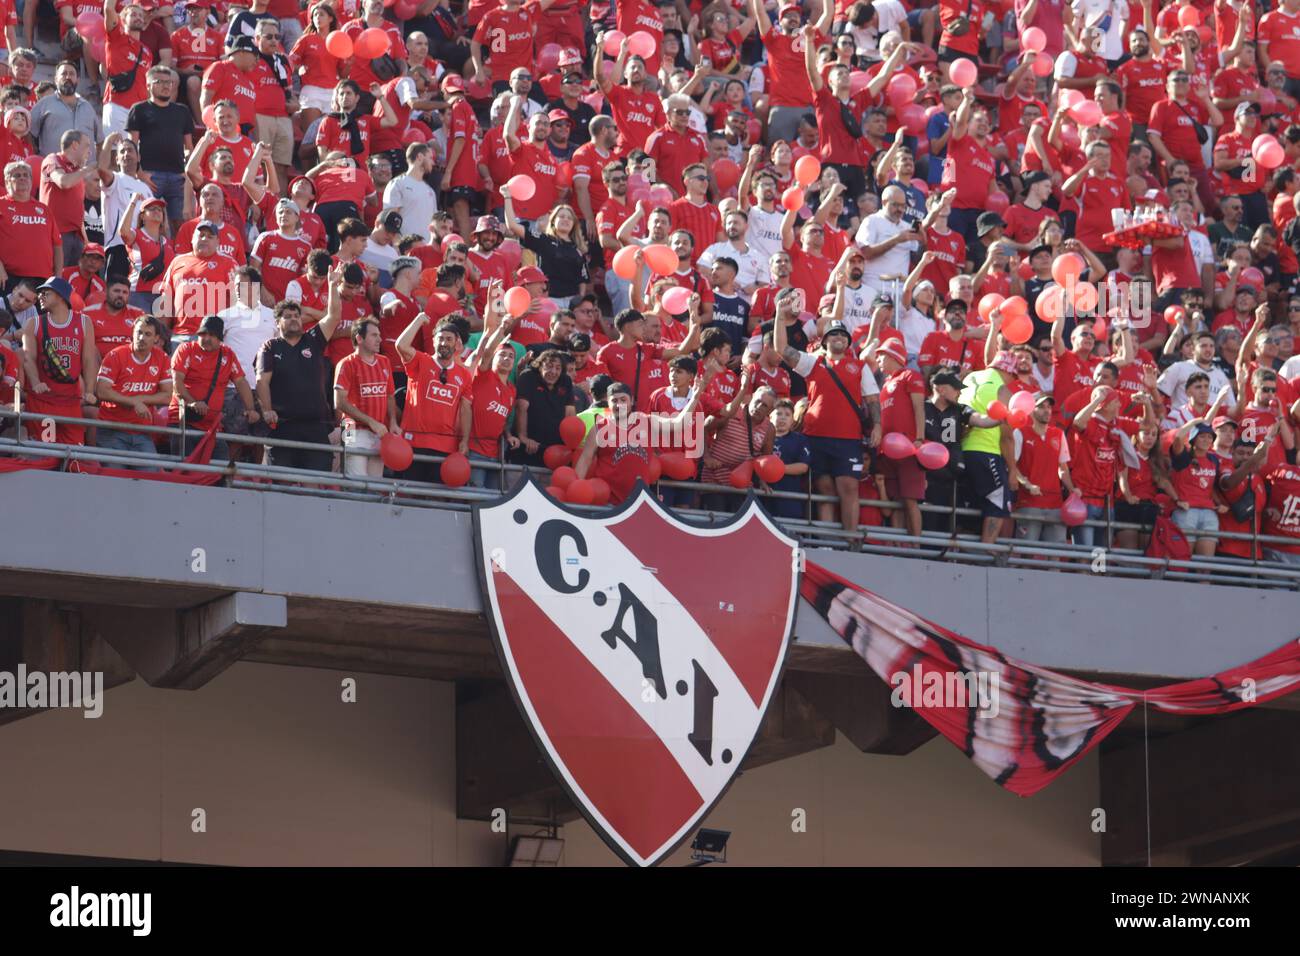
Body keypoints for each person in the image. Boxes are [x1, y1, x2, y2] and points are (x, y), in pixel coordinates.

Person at [775, 292, 881, 531]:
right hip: (815, 436)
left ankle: (850, 538)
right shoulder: (813, 362)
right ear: (824, 340)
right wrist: (780, 319)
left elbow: (872, 399)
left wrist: (878, 426)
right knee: (823, 488)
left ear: (848, 341)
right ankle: (826, 543)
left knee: (849, 487)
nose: (839, 338)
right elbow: (782, 349)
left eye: (843, 334)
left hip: (848, 439)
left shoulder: (860, 367)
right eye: (833, 334)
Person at [255, 277, 346, 472]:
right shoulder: (269, 347)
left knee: (314, 483)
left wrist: (332, 286)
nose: (294, 319)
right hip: (282, 426)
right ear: (277, 322)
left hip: (316, 426)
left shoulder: (312, 340)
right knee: (281, 483)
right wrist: (267, 410)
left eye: (296, 315)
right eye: (287, 316)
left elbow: (334, 316)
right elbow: (262, 381)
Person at [392, 311, 473, 482]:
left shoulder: (464, 375)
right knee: (408, 494)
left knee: (436, 497)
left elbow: (466, 410)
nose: (444, 343)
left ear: (457, 343)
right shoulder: (421, 361)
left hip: (445, 447)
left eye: (449, 339)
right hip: (413, 444)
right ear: (434, 340)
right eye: (440, 338)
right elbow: (401, 345)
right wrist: (418, 320)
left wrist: (464, 440)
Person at [19, 276, 98, 445]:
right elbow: (28, 358)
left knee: (74, 454)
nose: (40, 296)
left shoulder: (84, 322)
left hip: (71, 402)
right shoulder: (33, 323)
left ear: (61, 296)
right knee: (44, 454)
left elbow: (89, 360)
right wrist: (35, 382)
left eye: (45, 293)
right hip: (42, 401)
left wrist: (90, 390)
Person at [169, 314, 260, 460]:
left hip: (211, 427)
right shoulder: (185, 349)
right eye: (203, 334)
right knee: (184, 468)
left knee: (220, 468)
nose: (206, 338)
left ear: (220, 338)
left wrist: (250, 409)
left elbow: (241, 382)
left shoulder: (227, 354)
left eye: (212, 335)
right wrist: (192, 402)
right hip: (184, 422)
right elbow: (176, 381)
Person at [94, 314, 172, 462]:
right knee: (116, 475)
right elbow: (102, 391)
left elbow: (167, 396)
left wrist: (139, 399)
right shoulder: (116, 355)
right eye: (139, 332)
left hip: (142, 432)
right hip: (112, 429)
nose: (142, 337)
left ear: (156, 338)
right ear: (133, 333)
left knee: (150, 476)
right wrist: (134, 403)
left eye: (147, 334)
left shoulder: (162, 358)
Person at [125, 66, 193, 226]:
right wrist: (140, 174)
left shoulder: (182, 111)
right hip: (150, 176)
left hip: (178, 177)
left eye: (169, 82)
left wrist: (187, 175)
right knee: (145, 222)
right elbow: (132, 146)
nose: (166, 85)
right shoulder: (139, 109)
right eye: (159, 82)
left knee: (181, 225)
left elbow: (189, 147)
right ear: (148, 85)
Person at [334, 317, 398, 478]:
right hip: (352, 430)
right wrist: (371, 421)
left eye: (379, 335)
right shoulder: (346, 364)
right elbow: (339, 402)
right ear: (359, 338)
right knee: (356, 482)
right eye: (374, 335)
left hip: (379, 432)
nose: (380, 339)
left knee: (375, 484)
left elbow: (390, 395)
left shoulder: (385, 362)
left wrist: (393, 422)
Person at [876, 338, 927, 538]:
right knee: (896, 499)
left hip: (909, 448)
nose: (878, 360)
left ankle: (915, 546)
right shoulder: (887, 382)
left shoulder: (910, 375)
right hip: (888, 451)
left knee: (909, 500)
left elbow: (919, 408)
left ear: (892, 356)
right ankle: (897, 546)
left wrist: (920, 439)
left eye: (881, 356)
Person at [1012, 392, 1075, 543]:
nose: (1047, 410)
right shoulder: (1020, 432)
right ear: (1030, 410)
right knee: (1026, 552)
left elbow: (1063, 468)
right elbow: (1011, 465)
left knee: (1055, 554)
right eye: (1041, 407)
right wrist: (1027, 484)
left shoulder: (1058, 434)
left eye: (1049, 407)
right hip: (1029, 503)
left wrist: (1072, 489)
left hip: (1055, 504)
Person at [513, 348, 577, 466]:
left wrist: (570, 446)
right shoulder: (528, 376)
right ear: (539, 366)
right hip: (528, 449)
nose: (553, 371)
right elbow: (521, 407)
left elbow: (570, 414)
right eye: (549, 366)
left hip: (556, 453)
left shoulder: (565, 381)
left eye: (558, 368)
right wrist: (523, 437)